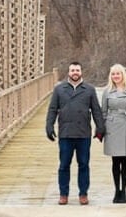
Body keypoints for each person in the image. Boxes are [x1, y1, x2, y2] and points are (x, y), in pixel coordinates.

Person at [45, 61, 105, 206]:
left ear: (81, 72)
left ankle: (83, 194)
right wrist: (49, 125)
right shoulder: (59, 89)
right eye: (72, 70)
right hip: (65, 133)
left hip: (83, 133)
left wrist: (100, 127)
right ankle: (63, 194)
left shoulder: (89, 89)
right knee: (64, 165)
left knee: (83, 164)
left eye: (77, 70)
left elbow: (96, 110)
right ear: (68, 72)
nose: (75, 73)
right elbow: (53, 109)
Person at [99, 63, 126, 203]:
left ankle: (123, 190)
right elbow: (103, 112)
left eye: (118, 73)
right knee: (115, 161)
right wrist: (100, 129)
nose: (115, 76)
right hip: (113, 127)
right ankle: (116, 190)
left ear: (123, 75)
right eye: (113, 74)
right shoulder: (107, 91)